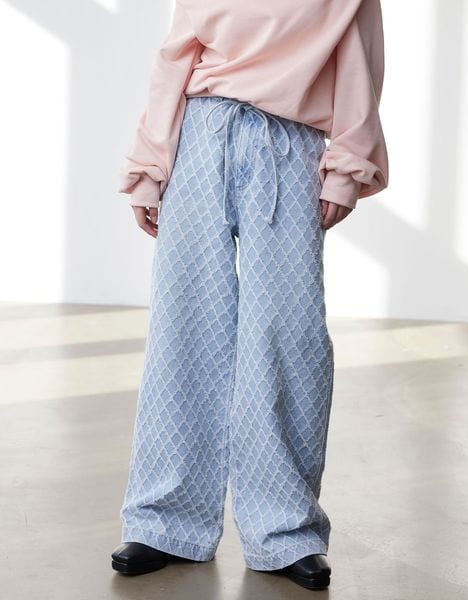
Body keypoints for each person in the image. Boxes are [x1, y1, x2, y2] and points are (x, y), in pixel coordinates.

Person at [111, 0, 389, 591]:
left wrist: (347, 167)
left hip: (292, 145)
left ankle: (286, 530)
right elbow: (176, 57)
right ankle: (164, 522)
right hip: (201, 136)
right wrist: (149, 165)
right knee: (185, 328)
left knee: (288, 337)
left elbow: (359, 66)